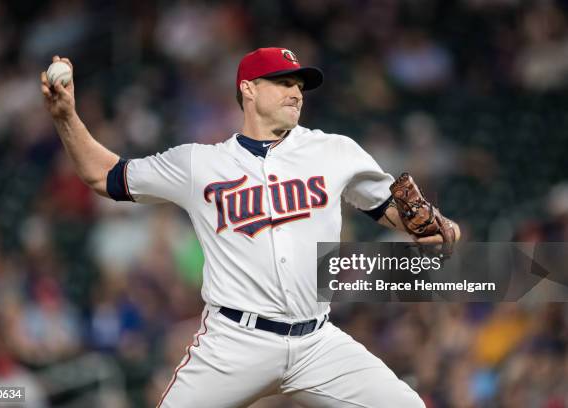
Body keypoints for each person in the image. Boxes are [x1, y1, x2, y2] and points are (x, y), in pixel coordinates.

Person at [41, 47, 460, 407]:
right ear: (248, 89)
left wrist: (435, 230)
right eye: (282, 82)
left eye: (300, 85)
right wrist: (66, 118)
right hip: (235, 342)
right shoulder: (198, 164)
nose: (295, 92)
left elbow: (396, 211)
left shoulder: (334, 151)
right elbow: (104, 176)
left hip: (317, 340)